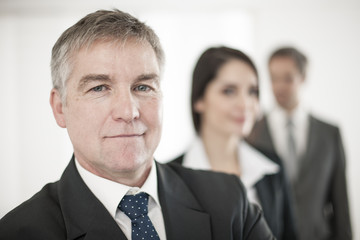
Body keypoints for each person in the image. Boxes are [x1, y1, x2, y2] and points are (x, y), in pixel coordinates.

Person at [0, 9, 275, 240]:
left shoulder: (229, 202)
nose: (128, 111)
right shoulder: (19, 232)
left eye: (143, 86)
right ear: (60, 108)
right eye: (99, 88)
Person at [171, 46, 297, 240]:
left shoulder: (272, 168)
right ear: (199, 99)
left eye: (252, 91)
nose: (245, 103)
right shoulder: (170, 178)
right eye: (229, 91)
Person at [247, 47, 352, 240]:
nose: (279, 86)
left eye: (287, 78)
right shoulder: (251, 133)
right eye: (273, 78)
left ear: (303, 77)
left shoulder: (329, 134)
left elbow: (340, 202)